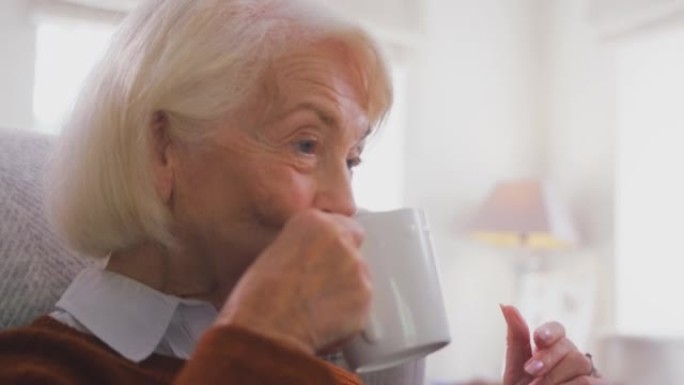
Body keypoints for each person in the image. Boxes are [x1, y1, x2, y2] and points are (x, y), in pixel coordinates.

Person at [0, 0, 610, 384]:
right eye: (305, 145)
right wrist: (264, 341)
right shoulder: (37, 368)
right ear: (162, 148)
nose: (345, 206)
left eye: (351, 158)